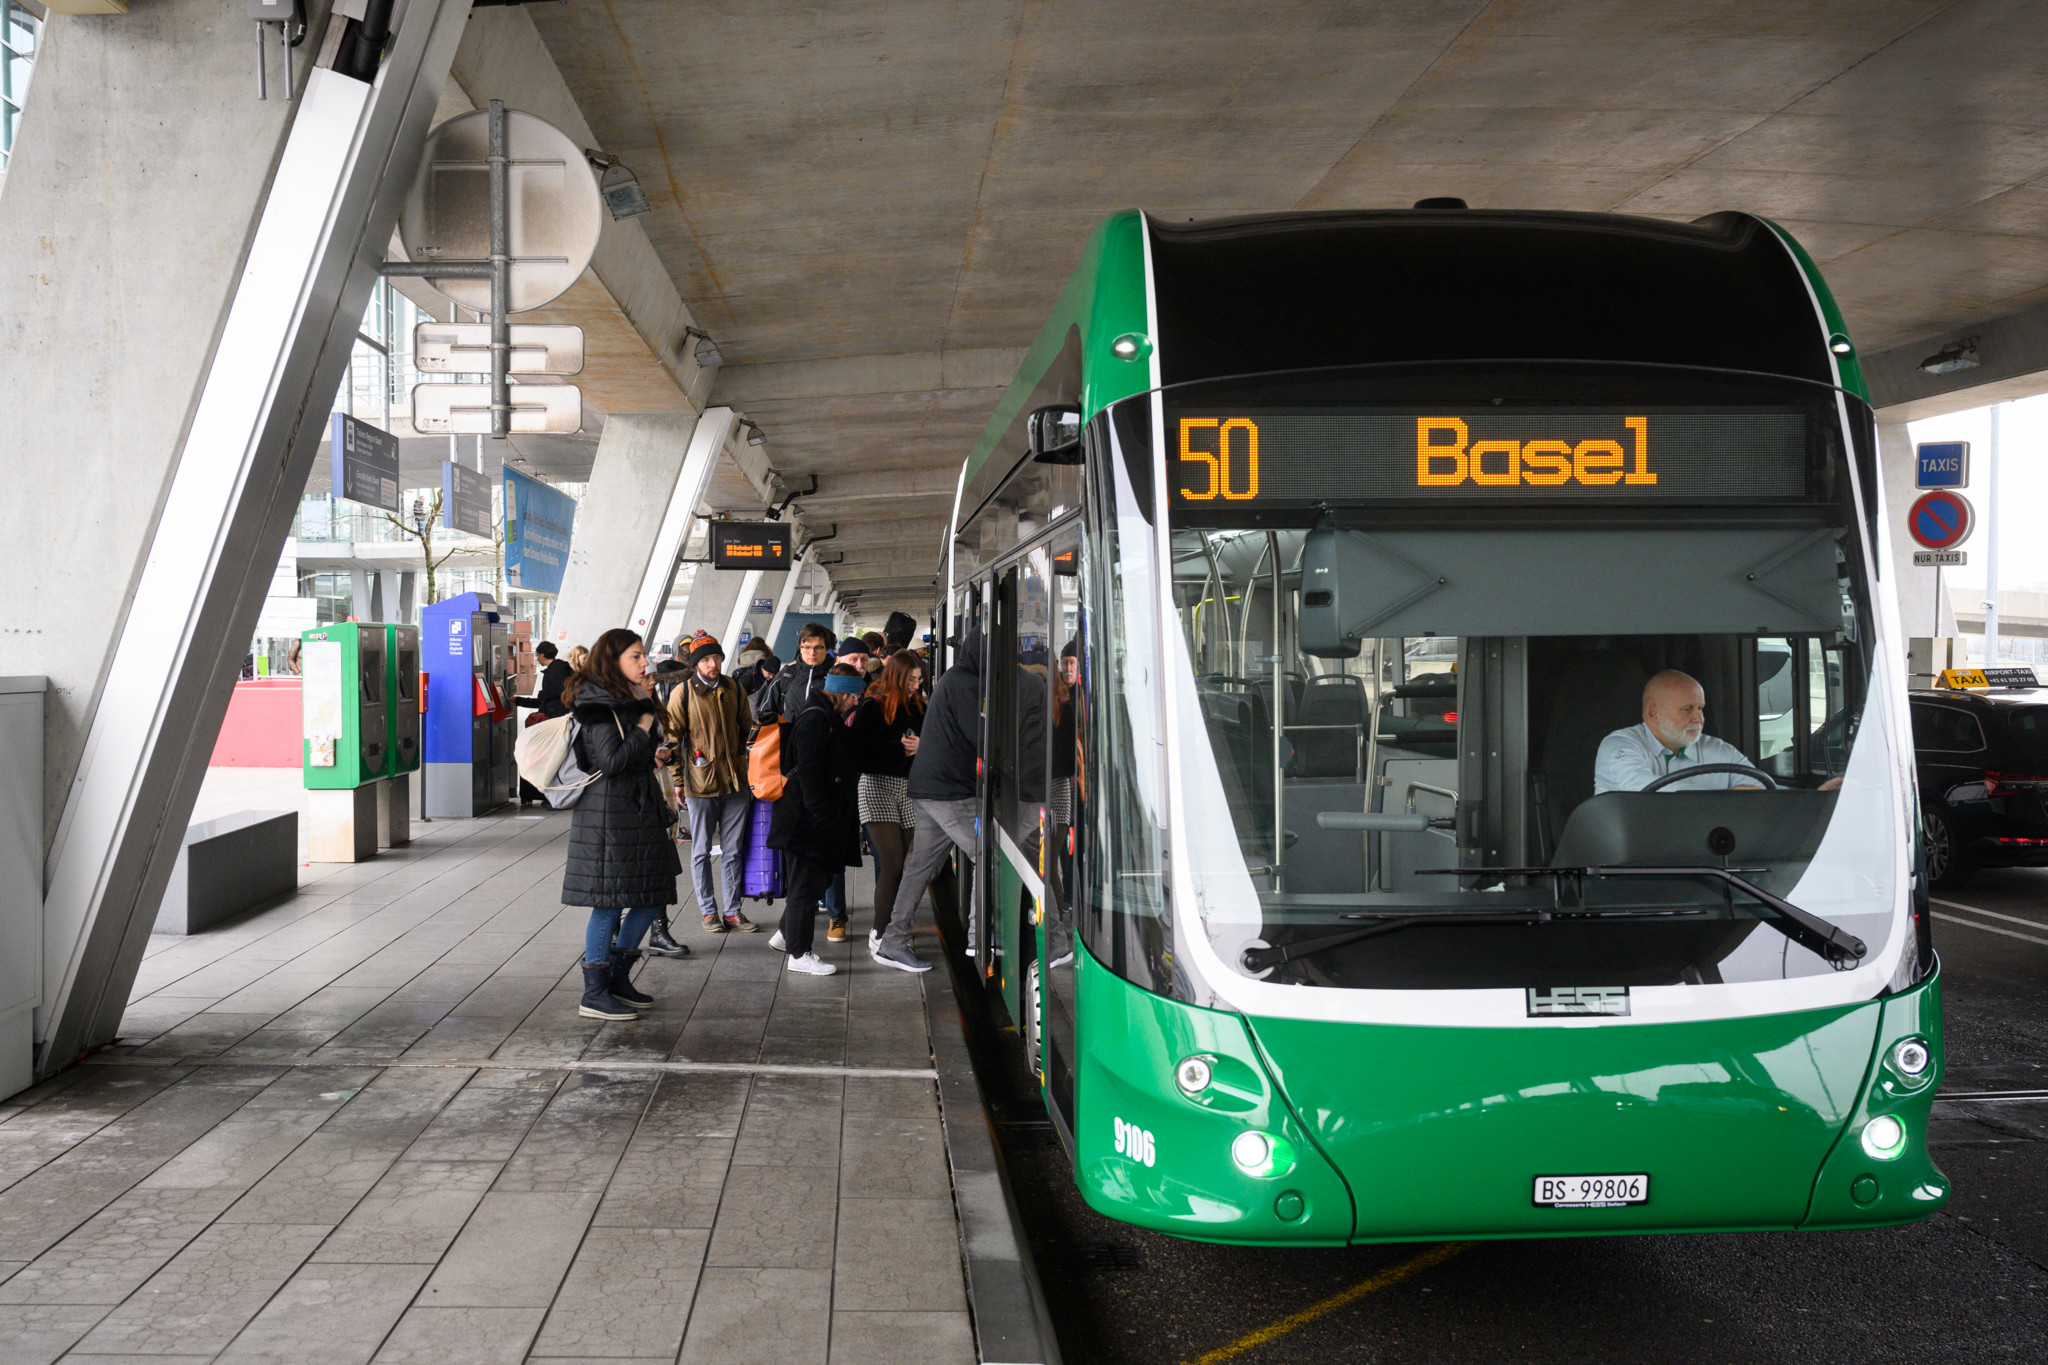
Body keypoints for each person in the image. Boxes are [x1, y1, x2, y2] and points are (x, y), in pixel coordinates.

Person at [560, 628, 684, 1019]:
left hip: (639, 811)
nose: (644, 662)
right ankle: (594, 992)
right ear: (612, 660)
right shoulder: (595, 702)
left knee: (652, 896)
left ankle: (617, 976)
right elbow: (610, 763)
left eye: (642, 655)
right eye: (635, 656)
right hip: (610, 817)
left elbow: (630, 757)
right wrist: (645, 725)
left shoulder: (630, 699)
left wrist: (654, 755)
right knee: (610, 903)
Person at [876, 628, 983, 973]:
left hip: (928, 788)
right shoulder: (965, 682)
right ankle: (979, 938)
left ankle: (892, 942)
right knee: (986, 851)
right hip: (947, 791)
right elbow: (979, 736)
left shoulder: (955, 678)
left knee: (919, 867)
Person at [767, 663, 866, 976]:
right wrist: (821, 815)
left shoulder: (826, 716)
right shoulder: (816, 719)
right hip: (805, 822)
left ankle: (786, 935)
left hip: (811, 819)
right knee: (805, 889)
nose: (855, 701)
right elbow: (808, 774)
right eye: (852, 695)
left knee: (813, 882)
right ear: (838, 692)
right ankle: (799, 954)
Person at [1594, 669, 1842, 793]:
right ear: (1652, 713)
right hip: (1632, 869)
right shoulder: (1619, 747)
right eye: (1687, 709)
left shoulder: (1719, 751)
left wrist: (1812, 799)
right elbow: (1651, 793)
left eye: (1700, 708)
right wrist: (1727, 799)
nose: (1699, 718)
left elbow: (1762, 794)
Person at [666, 632, 759, 934]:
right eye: (705, 660)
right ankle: (709, 912)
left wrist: (749, 768)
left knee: (734, 850)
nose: (712, 664)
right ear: (695, 664)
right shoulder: (682, 693)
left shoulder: (733, 687)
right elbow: (672, 739)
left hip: (735, 783)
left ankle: (733, 911)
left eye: (716, 658)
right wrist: (678, 780)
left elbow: (748, 728)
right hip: (699, 782)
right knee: (701, 850)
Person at [852, 652, 926, 957]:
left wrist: (922, 747)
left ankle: (895, 928)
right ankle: (880, 933)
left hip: (907, 788)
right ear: (896, 675)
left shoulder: (918, 705)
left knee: (903, 865)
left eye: (919, 679)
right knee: (893, 863)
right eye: (910, 679)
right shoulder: (873, 705)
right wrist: (900, 750)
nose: (915, 685)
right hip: (876, 786)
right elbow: (860, 755)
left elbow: (930, 742)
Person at [755, 622, 836, 723]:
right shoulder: (786, 675)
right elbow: (765, 711)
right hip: (790, 737)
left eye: (818, 647)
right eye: (807, 647)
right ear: (800, 648)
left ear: (827, 649)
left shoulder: (835, 676)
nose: (812, 653)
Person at [515, 641, 573, 720]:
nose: (537, 659)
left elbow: (556, 692)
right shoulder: (559, 667)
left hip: (556, 716)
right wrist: (518, 700)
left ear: (542, 655)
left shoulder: (556, 669)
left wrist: (542, 694)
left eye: (538, 655)